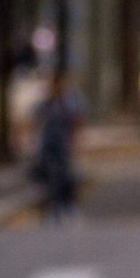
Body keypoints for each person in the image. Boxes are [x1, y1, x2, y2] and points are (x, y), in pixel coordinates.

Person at [31, 72, 84, 224]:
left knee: (66, 176)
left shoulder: (68, 103)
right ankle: (51, 208)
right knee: (47, 178)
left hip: (63, 144)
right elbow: (36, 121)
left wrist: (76, 139)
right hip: (47, 145)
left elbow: (77, 120)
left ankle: (68, 205)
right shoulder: (45, 103)